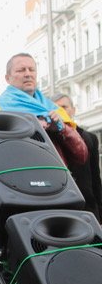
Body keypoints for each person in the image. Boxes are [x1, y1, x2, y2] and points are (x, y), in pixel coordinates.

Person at [0, 53, 88, 284]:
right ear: (8, 77)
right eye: (20, 70)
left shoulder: (53, 109)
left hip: (56, 196)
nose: (27, 73)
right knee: (9, 271)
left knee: (63, 266)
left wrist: (62, 129)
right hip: (14, 199)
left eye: (31, 69)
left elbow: (81, 155)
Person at [53, 93, 102, 221]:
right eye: (56, 108)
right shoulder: (48, 137)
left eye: (64, 107)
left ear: (73, 110)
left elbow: (95, 177)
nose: (60, 111)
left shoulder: (89, 137)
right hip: (60, 206)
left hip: (88, 206)